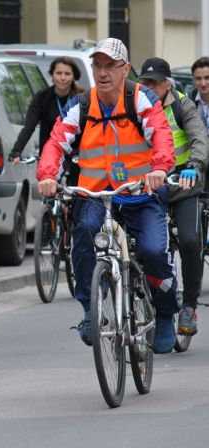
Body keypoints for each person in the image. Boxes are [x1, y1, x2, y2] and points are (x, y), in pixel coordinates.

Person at [37, 38, 179, 354]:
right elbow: (57, 142)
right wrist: (47, 175)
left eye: (110, 66)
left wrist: (158, 169)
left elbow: (162, 137)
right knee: (85, 235)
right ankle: (91, 309)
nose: (102, 73)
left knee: (154, 251)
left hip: (142, 191)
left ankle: (167, 312)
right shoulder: (81, 105)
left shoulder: (141, 100)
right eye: (97, 66)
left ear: (125, 69)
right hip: (96, 194)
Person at [139, 57, 209, 336]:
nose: (150, 87)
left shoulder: (183, 104)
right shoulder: (137, 105)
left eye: (156, 82)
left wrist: (194, 165)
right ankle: (153, 302)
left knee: (191, 241)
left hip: (183, 185)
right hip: (150, 187)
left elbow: (199, 138)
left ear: (168, 83)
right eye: (146, 82)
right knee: (145, 249)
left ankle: (190, 306)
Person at [9, 57, 84, 165]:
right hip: (50, 155)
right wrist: (16, 151)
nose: (63, 78)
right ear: (52, 76)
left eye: (67, 74)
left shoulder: (82, 98)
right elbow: (29, 127)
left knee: (76, 179)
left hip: (76, 155)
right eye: (58, 73)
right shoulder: (42, 98)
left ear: (73, 77)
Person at [190, 56, 209, 135]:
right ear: (193, 80)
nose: (203, 83)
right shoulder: (188, 102)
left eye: (207, 78)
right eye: (198, 78)